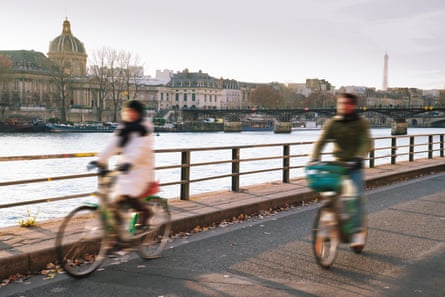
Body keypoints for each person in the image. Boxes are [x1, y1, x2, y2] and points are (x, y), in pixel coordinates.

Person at [310, 92, 373, 248]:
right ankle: (331, 216)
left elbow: (367, 142)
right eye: (340, 103)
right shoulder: (332, 123)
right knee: (329, 194)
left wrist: (359, 157)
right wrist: (313, 158)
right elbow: (321, 141)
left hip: (354, 165)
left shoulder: (361, 123)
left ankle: (358, 232)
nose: (343, 106)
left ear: (353, 106)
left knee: (356, 196)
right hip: (337, 165)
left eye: (346, 104)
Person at [90, 100, 155, 230]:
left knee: (127, 192)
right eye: (128, 112)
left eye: (133, 112)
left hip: (140, 167)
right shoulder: (124, 127)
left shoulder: (144, 128)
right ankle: (119, 233)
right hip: (125, 167)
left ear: (138, 113)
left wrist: (129, 162)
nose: (130, 114)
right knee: (114, 198)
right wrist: (100, 160)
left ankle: (146, 212)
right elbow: (112, 145)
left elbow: (140, 149)